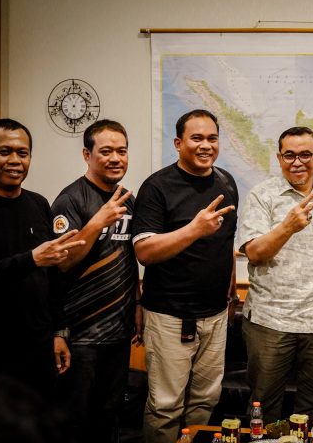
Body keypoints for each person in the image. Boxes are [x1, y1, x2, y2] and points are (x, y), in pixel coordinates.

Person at [236, 126, 313, 423]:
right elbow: (253, 252)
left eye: (305, 154)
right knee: (263, 408)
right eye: (289, 155)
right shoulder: (262, 196)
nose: (297, 162)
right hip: (272, 320)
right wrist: (286, 227)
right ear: (279, 158)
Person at [132, 109, 238, 443]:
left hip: (216, 315)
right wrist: (193, 229)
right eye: (197, 138)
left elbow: (227, 244)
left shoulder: (226, 182)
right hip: (169, 316)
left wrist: (232, 295)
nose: (206, 145)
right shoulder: (157, 187)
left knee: (206, 399)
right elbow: (145, 251)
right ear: (178, 143)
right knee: (165, 406)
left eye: (212, 138)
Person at [0, 118, 84, 399]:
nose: (15, 160)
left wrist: (59, 332)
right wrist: (31, 259)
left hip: (38, 345)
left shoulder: (38, 204)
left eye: (22, 153)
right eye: (5, 152)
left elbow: (52, 277)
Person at [51, 119, 140, 443]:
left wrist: (138, 304)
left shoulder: (127, 198)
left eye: (122, 151)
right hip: (80, 336)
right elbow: (62, 264)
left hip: (118, 333)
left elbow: (129, 257)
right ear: (87, 154)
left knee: (110, 415)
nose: (115, 158)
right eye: (106, 151)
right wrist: (97, 221)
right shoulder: (70, 200)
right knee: (76, 420)